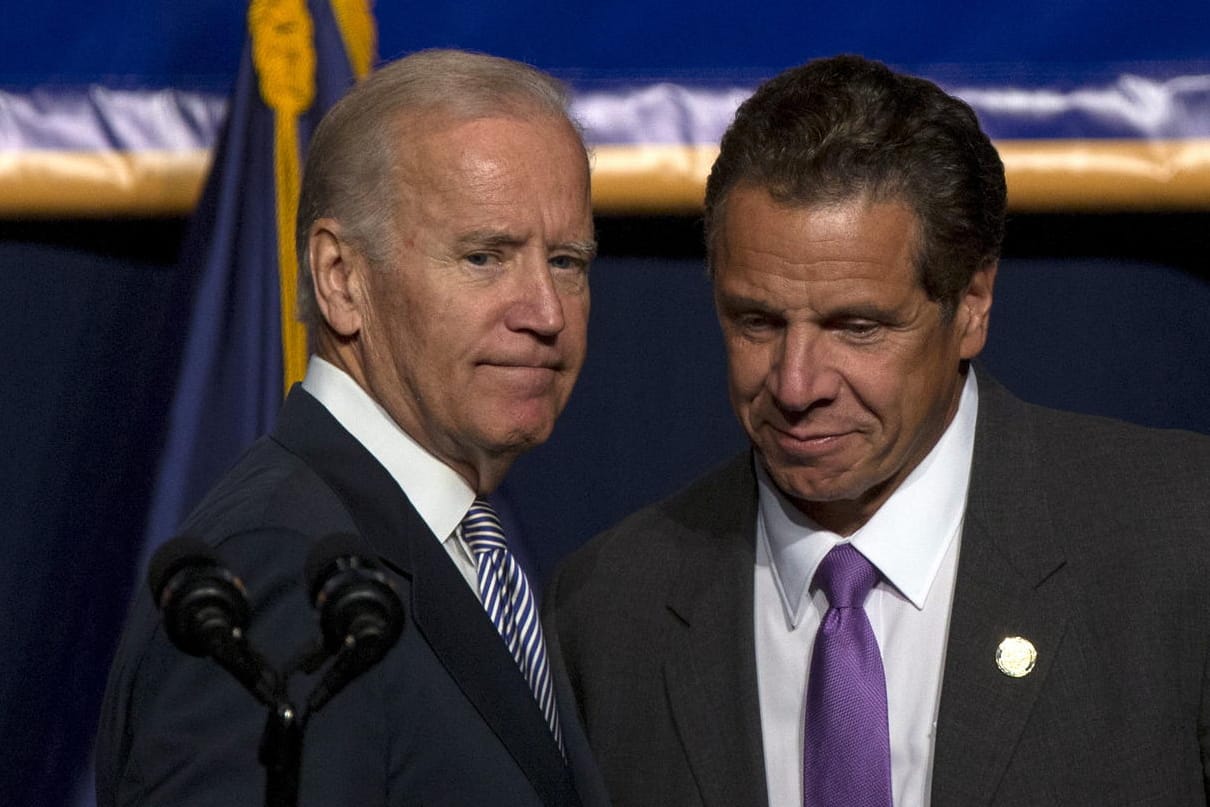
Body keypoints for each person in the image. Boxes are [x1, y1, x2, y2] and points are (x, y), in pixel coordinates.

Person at [544, 54, 1210, 806]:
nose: (796, 386)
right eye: (756, 321)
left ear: (972, 304)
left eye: (856, 327)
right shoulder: (607, 613)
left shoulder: (1180, 547)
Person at [97, 49, 607, 807]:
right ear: (340, 279)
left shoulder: (460, 549)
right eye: (483, 256)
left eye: (567, 261)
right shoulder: (280, 569)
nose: (546, 312)